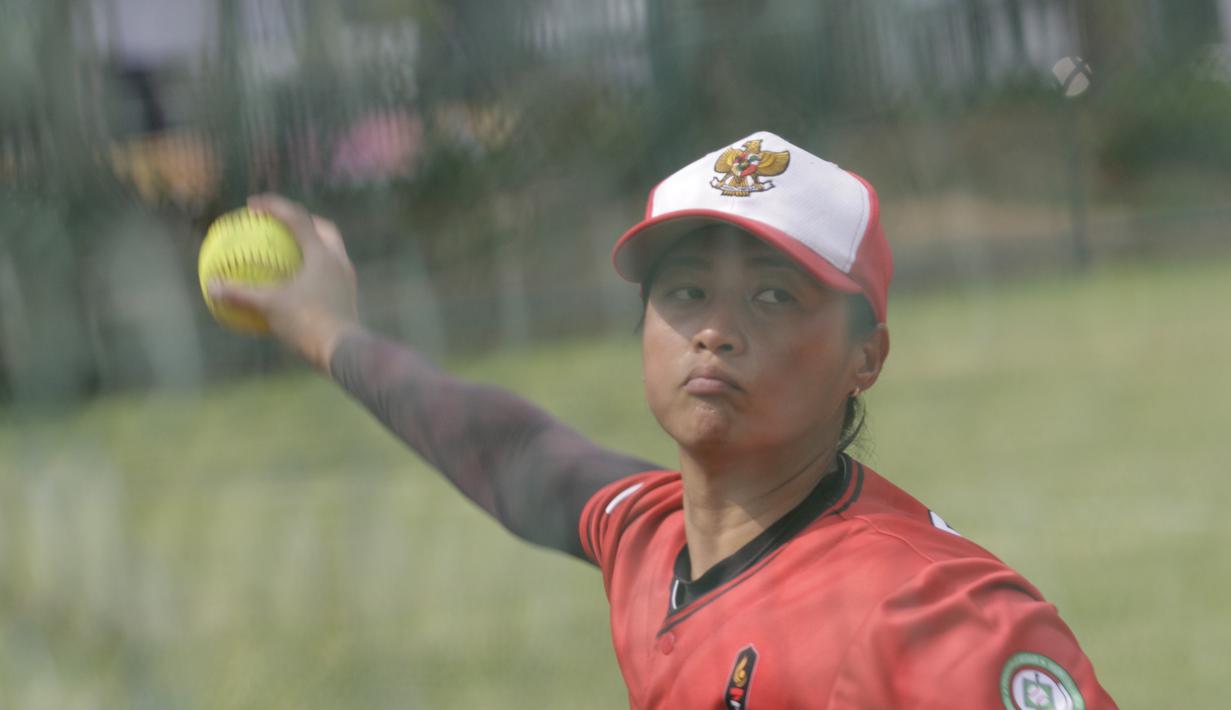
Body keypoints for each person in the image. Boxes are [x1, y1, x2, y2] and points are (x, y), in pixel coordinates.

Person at [209, 131, 1117, 709]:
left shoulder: (931, 612)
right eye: (685, 293)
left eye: (772, 296)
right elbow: (514, 449)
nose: (715, 331)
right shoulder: (651, 540)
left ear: (864, 359)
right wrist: (324, 328)